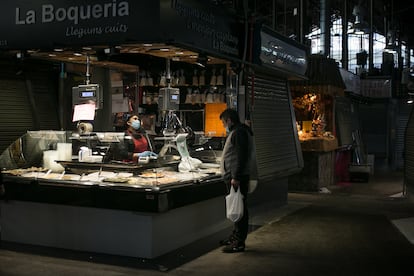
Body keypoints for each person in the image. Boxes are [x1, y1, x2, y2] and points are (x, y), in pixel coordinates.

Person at [219, 108, 254, 253]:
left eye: (223, 122)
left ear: (229, 120)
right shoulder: (239, 131)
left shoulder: (239, 132)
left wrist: (236, 177)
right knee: (237, 208)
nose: (223, 125)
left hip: (237, 178)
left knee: (239, 210)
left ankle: (239, 243)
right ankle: (235, 237)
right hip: (235, 176)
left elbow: (241, 156)